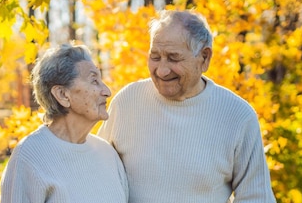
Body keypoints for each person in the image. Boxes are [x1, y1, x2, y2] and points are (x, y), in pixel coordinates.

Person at [98, 10, 276, 202]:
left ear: (204, 58)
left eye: (174, 58)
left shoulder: (238, 116)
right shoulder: (127, 103)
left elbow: (257, 197)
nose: (162, 70)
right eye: (155, 57)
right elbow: (95, 172)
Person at [0, 44, 128, 203]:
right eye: (94, 81)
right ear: (62, 95)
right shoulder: (30, 156)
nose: (107, 91)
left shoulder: (107, 154)